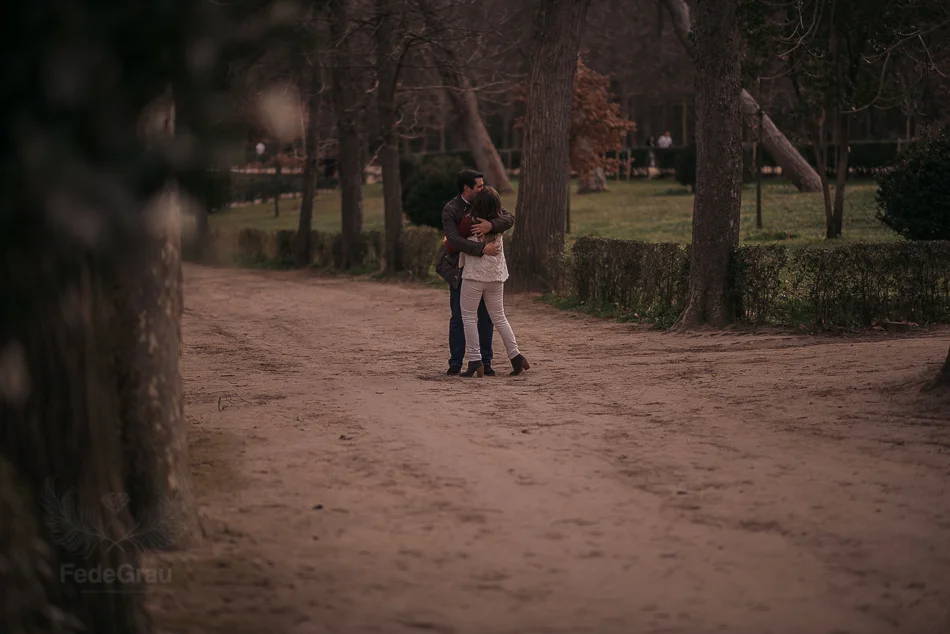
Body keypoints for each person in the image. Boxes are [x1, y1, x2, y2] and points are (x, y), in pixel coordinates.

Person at [435, 169, 515, 375]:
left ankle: (484, 362)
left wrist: (491, 225)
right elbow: (454, 240)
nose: (482, 188)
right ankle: (455, 363)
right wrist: (482, 248)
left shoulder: (485, 200)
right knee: (458, 317)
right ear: (466, 188)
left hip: (483, 272)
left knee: (485, 317)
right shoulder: (451, 209)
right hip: (459, 268)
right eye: (479, 186)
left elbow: (509, 218)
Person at [457, 186, 529, 377]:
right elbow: (508, 218)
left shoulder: (469, 223)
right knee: (499, 317)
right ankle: (516, 356)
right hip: (496, 276)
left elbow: (455, 241)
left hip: (474, 276)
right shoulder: (499, 224)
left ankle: (475, 360)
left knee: (469, 318)